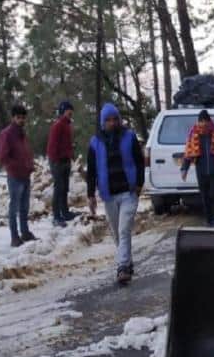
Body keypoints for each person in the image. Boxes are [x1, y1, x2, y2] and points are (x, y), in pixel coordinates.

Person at [87, 102, 144, 286]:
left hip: (128, 192)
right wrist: (90, 195)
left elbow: (139, 160)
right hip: (108, 194)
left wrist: (139, 184)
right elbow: (91, 171)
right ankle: (127, 261)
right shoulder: (95, 143)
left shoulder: (129, 137)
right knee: (117, 234)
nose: (112, 123)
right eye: (108, 120)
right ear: (103, 122)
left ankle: (122, 267)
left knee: (124, 229)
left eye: (115, 119)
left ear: (119, 120)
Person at [180, 109, 214, 225]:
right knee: (205, 197)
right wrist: (184, 169)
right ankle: (209, 221)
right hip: (201, 171)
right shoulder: (194, 135)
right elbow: (189, 153)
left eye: (205, 122)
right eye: (200, 122)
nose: (203, 124)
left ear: (209, 122)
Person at [0, 104, 37, 248]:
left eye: (23, 118)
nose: (21, 120)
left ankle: (25, 232)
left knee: (24, 206)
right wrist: (16, 167)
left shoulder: (22, 133)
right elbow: (3, 156)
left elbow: (26, 151)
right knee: (14, 207)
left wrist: (30, 164)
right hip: (15, 175)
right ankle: (14, 237)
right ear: (13, 117)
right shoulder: (6, 134)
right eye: (18, 117)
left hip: (25, 174)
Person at [46, 100, 76, 227]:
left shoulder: (68, 125)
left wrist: (70, 155)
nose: (71, 113)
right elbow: (52, 146)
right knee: (58, 188)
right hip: (57, 162)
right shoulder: (57, 125)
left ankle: (65, 212)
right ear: (63, 111)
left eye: (71, 111)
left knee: (65, 188)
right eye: (69, 110)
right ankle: (56, 216)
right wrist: (56, 161)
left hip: (66, 160)